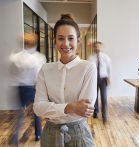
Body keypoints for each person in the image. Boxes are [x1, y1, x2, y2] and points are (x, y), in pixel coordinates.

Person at [33, 14, 97, 147]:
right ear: (54, 40)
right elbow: (38, 108)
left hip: (79, 133)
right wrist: (71, 107)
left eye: (71, 38)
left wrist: (52, 109)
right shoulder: (45, 69)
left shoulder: (88, 67)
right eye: (61, 38)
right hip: (50, 134)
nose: (66, 44)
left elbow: (85, 109)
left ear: (78, 41)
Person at [10, 33, 46, 145]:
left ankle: (15, 138)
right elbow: (39, 75)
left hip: (19, 88)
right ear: (35, 44)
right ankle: (38, 134)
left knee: (19, 115)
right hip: (33, 88)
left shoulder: (14, 57)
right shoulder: (39, 58)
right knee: (36, 113)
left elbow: (12, 73)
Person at [88, 42, 112, 124]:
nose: (97, 48)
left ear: (100, 47)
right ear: (93, 48)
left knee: (104, 98)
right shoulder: (90, 58)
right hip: (94, 79)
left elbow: (109, 68)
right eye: (95, 46)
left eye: (98, 46)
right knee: (94, 97)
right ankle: (95, 112)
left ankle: (105, 116)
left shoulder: (106, 57)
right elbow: (88, 70)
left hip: (103, 79)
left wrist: (109, 78)